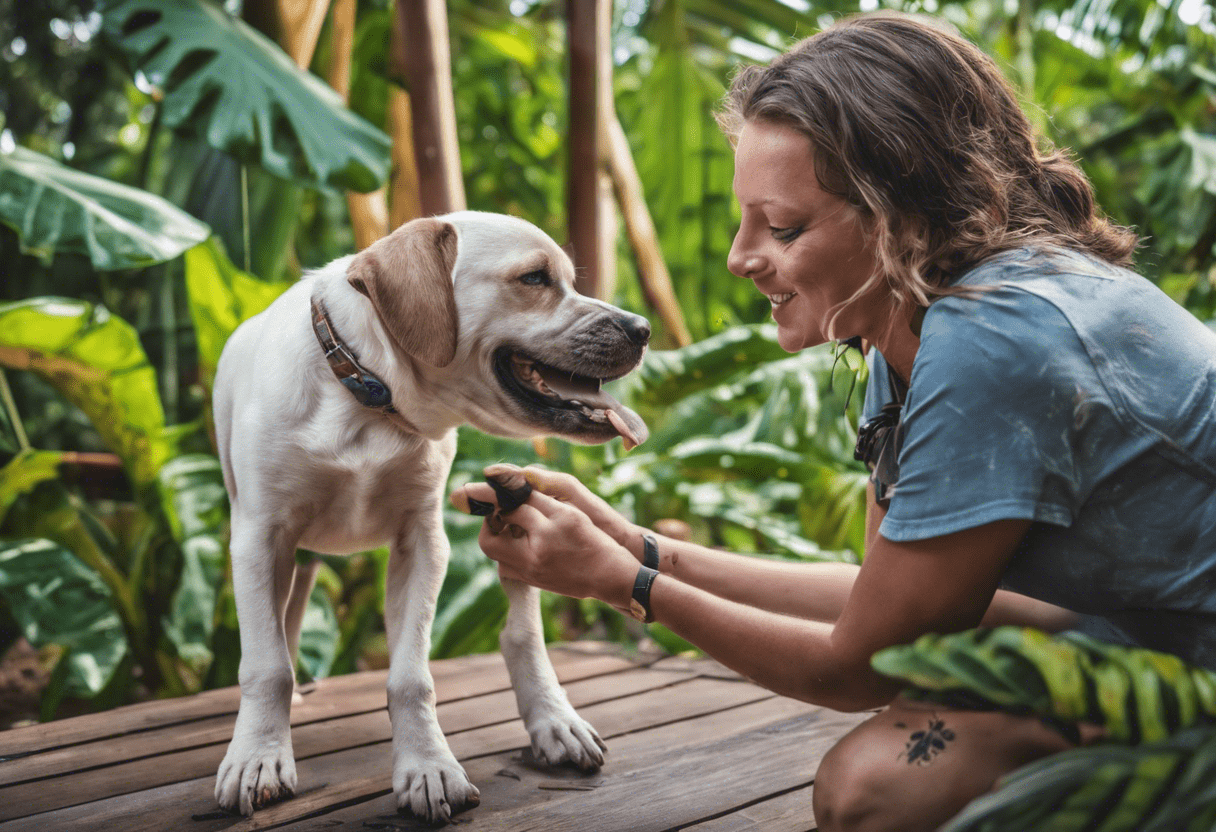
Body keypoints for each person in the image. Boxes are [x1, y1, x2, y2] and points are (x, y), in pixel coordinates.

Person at [451, 12, 1216, 832]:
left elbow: (857, 669)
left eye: (783, 227)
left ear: (900, 216)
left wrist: (619, 583)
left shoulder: (996, 340)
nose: (743, 255)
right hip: (1137, 630)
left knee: (872, 790)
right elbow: (880, 611)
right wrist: (634, 543)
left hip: (1189, 664)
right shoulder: (910, 320)